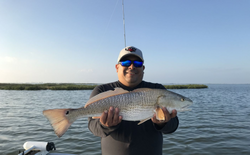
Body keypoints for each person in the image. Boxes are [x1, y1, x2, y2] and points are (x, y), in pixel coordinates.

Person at [88, 46, 179, 155]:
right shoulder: (102, 90)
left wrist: (163, 123)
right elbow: (93, 127)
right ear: (117, 67)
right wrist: (106, 125)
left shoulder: (157, 90)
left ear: (143, 68)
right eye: (126, 62)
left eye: (137, 63)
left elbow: (173, 126)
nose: (132, 66)